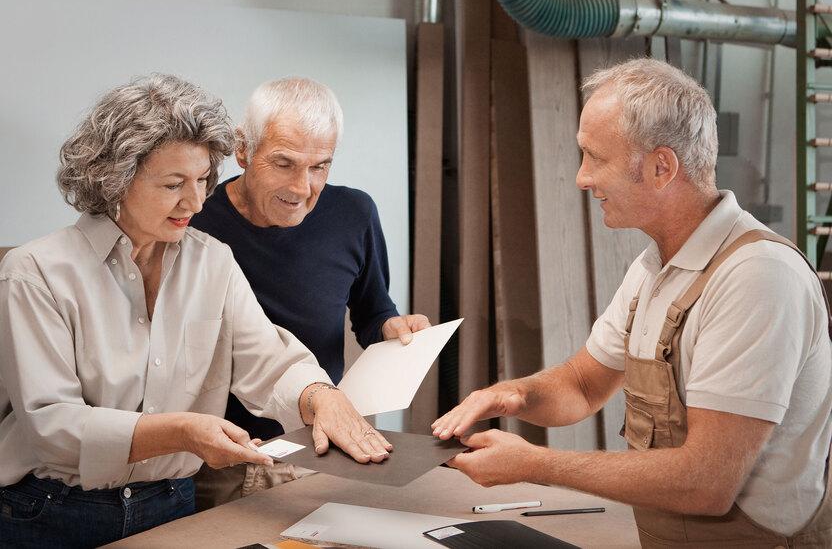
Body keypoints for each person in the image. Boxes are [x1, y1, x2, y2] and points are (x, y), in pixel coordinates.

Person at [432, 58, 832, 547]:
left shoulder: (757, 277)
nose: (581, 178)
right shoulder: (654, 267)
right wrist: (513, 395)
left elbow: (707, 483)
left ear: (662, 167)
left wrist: (535, 464)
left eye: (594, 158)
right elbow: (583, 385)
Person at [0, 74, 391, 548]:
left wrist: (318, 395)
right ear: (115, 178)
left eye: (204, 179)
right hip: (50, 512)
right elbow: (51, 425)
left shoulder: (212, 260)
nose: (196, 200)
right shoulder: (35, 272)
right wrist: (183, 431)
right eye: (173, 184)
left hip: (172, 504)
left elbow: (268, 361)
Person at [190, 77, 430, 508]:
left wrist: (392, 328)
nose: (303, 187)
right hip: (217, 459)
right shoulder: (194, 222)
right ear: (243, 150)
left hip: (315, 450)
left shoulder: (354, 214)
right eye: (284, 163)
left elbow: (374, 312)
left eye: (320, 166)